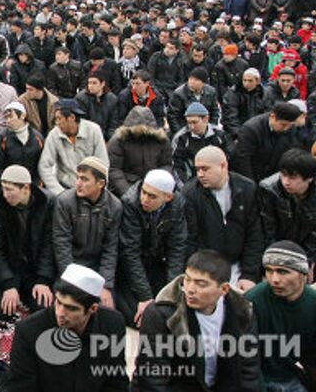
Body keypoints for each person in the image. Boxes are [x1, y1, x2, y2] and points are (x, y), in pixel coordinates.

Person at [131, 250, 260, 392]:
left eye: (201, 284)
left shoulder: (242, 311)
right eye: (187, 279)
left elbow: (248, 373)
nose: (190, 289)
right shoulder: (162, 313)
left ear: (224, 289)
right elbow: (153, 378)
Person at [5, 263, 128, 392]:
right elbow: (21, 387)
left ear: (93, 309)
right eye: (58, 302)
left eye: (71, 308)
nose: (60, 313)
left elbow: (116, 381)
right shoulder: (29, 331)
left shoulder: (112, 324)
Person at [183, 146, 264, 291]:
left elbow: (255, 234)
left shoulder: (247, 189)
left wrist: (249, 275)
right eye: (197, 169)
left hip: (239, 266)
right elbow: (190, 240)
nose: (200, 174)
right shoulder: (190, 194)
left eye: (205, 169)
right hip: (206, 270)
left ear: (223, 166)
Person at [117, 170, 187, 327]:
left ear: (168, 197)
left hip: (157, 262)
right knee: (136, 316)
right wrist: (144, 297)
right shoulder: (130, 202)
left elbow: (177, 249)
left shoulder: (177, 205)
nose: (145, 199)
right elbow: (130, 253)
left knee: (170, 309)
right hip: (131, 267)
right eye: (143, 192)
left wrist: (171, 292)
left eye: (152, 196)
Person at [246, 241, 316, 392]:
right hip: (257, 379)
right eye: (269, 271)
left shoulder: (312, 304)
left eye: (283, 271)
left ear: (302, 275)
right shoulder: (253, 300)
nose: (274, 279)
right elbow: (244, 357)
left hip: (292, 378)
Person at [52, 157, 120, 308]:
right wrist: (72, 280)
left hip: (96, 269)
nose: (78, 183)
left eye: (84, 179)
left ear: (100, 183)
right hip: (70, 268)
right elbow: (62, 246)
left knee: (106, 309)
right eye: (77, 178)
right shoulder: (64, 202)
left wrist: (105, 286)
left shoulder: (114, 207)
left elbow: (110, 249)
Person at [0, 165, 56, 319]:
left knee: (43, 309)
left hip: (34, 270)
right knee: (4, 311)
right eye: (3, 188)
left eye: (10, 190)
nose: (5, 195)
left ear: (26, 188)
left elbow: (49, 245)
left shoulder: (48, 203)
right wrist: (8, 284)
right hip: (10, 268)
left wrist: (43, 280)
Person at [39, 98, 108, 195]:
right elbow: (44, 166)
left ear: (71, 117)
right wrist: (59, 192)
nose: (57, 123)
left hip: (90, 188)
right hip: (65, 187)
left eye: (59, 118)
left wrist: (99, 190)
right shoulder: (54, 134)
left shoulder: (94, 130)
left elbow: (103, 163)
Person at [259, 149, 316, 263]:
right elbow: (268, 230)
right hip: (275, 250)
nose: (286, 182)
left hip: (307, 252)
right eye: (283, 175)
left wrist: (306, 261)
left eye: (293, 178)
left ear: (309, 178)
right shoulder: (269, 190)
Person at [107, 106, 172, 197]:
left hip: (153, 186)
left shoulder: (161, 140)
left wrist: (157, 185)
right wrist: (128, 193)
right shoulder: (119, 140)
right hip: (126, 187)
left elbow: (166, 165)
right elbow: (114, 169)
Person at [232, 102, 304, 182]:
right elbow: (243, 159)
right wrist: (250, 184)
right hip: (253, 174)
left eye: (289, 126)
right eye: (283, 125)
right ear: (273, 117)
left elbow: (289, 152)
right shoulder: (251, 129)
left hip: (274, 174)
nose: (286, 129)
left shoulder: (290, 128)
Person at [172, 102, 235, 185]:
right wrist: (185, 187)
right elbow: (177, 166)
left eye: (195, 122)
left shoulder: (220, 135)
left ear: (206, 119)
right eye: (189, 122)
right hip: (193, 182)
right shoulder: (181, 138)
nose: (191, 127)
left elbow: (229, 158)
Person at [1, 101, 45, 184]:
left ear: (22, 116)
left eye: (11, 117)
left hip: (34, 183)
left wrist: (40, 182)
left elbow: (43, 163)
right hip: (11, 183)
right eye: (6, 118)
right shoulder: (3, 137)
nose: (8, 121)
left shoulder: (37, 137)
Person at [167, 67, 220, 134]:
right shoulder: (179, 94)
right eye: (190, 79)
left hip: (205, 129)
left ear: (203, 83)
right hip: (186, 130)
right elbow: (173, 117)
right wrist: (180, 134)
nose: (191, 82)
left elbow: (215, 112)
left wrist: (210, 129)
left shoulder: (211, 92)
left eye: (196, 80)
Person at [222, 67, 266, 139]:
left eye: (250, 81)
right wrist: (239, 135)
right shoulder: (233, 93)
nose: (246, 83)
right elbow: (230, 117)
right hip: (238, 134)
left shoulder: (264, 94)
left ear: (257, 81)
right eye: (244, 80)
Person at [74, 72, 119, 140]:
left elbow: (113, 123)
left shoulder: (112, 99)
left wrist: (109, 139)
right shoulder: (80, 98)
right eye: (89, 83)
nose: (91, 86)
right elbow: (81, 122)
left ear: (102, 84)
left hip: (106, 137)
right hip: (87, 137)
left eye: (94, 83)